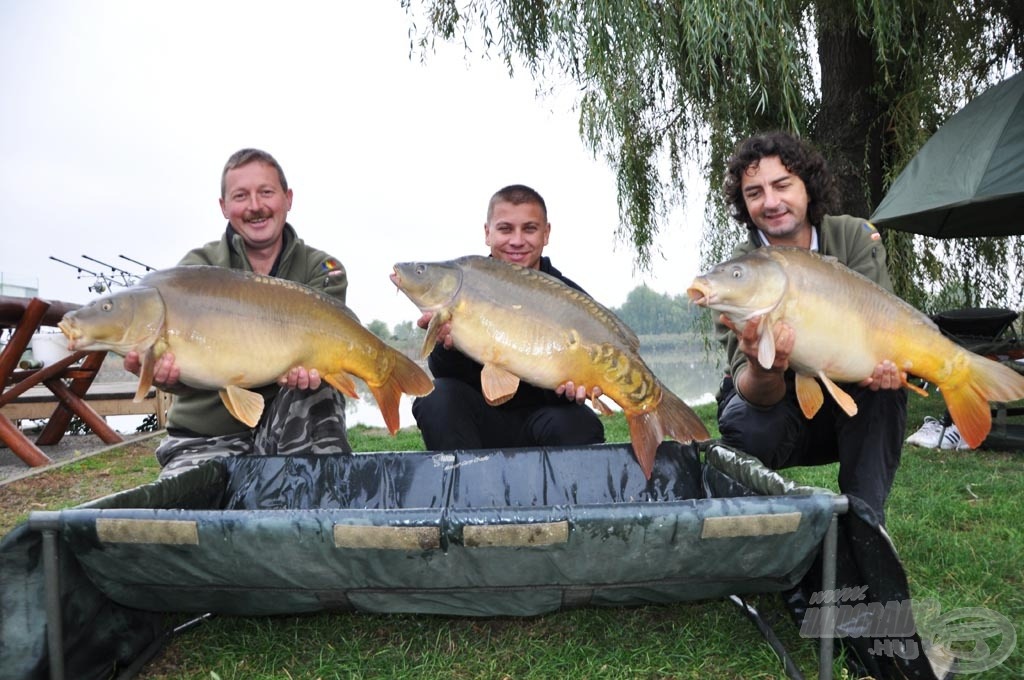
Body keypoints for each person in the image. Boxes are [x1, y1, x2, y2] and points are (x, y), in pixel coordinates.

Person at [715, 131, 908, 524]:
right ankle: (759, 534)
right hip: (778, 405)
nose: (770, 202)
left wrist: (888, 365)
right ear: (744, 203)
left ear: (807, 186)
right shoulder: (737, 274)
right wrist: (763, 367)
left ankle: (863, 526)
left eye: (782, 185)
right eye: (754, 193)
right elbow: (755, 393)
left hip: (846, 397)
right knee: (744, 424)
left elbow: (883, 326)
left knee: (886, 394)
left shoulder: (852, 236)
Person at [124, 148, 352, 477]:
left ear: (288, 199)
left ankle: (320, 491)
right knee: (185, 520)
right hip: (206, 437)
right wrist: (165, 377)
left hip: (287, 431)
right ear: (224, 207)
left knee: (320, 383)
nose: (255, 206)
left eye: (266, 192)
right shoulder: (194, 271)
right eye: (241, 196)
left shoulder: (322, 270)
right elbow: (185, 371)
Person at [411, 184, 606, 450]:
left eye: (529, 228)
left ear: (546, 233)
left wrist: (573, 389)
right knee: (437, 397)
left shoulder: (568, 298)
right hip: (479, 419)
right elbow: (445, 374)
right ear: (487, 233)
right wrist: (449, 345)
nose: (516, 240)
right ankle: (464, 488)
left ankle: (555, 492)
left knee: (579, 423)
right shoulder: (462, 283)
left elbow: (580, 376)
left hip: (543, 420)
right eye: (505, 229)